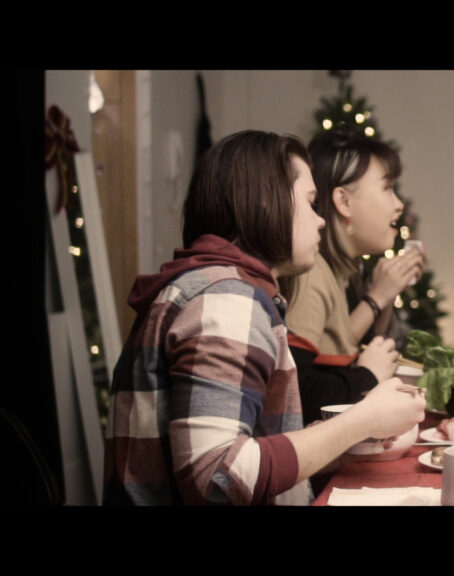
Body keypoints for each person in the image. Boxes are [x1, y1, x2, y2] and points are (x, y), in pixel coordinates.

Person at [103, 130, 425, 506]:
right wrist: (362, 420)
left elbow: (254, 443)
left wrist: (345, 437)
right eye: (309, 203)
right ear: (265, 203)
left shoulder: (228, 288)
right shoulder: (225, 298)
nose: (320, 221)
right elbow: (219, 477)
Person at [282, 126, 426, 426]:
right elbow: (296, 391)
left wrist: (386, 295)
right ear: (344, 202)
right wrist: (377, 298)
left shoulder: (349, 270)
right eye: (387, 188)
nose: (398, 204)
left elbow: (361, 347)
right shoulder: (311, 272)